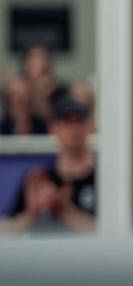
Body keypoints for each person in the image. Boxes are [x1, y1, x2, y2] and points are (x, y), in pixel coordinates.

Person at [0, 90, 97, 236]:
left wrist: (65, 211)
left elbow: (115, 233)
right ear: (53, 128)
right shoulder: (39, 179)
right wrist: (31, 214)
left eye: (79, 121)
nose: (74, 129)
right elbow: (6, 232)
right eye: (67, 122)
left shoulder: (102, 181)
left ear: (90, 126)